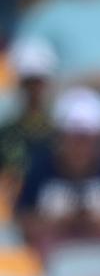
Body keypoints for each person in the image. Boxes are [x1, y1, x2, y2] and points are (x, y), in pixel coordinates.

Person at [14, 87, 100, 255]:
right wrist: (59, 223)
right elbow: (22, 218)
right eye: (75, 139)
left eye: (88, 139)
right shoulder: (41, 167)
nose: (81, 148)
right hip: (52, 258)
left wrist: (98, 223)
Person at [0, 38, 58, 210]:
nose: (34, 89)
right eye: (29, 82)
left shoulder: (62, 134)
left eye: (39, 82)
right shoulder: (6, 133)